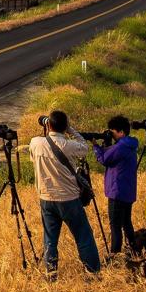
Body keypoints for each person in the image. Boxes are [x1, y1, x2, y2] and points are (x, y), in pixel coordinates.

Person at [28, 110, 101, 278]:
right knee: (83, 236)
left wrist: (48, 130)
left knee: (50, 239)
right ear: (65, 126)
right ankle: (92, 272)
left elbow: (34, 157)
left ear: (48, 125)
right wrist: (71, 130)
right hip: (69, 199)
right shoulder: (69, 145)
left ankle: (51, 273)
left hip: (46, 198)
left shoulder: (35, 143)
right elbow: (84, 147)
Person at [93, 115, 139, 255]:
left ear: (121, 132)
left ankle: (115, 254)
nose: (111, 135)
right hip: (127, 190)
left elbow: (103, 159)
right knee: (126, 222)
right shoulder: (130, 145)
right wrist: (106, 144)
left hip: (116, 191)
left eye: (112, 132)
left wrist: (95, 145)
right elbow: (111, 156)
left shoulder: (121, 147)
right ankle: (134, 249)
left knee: (115, 225)